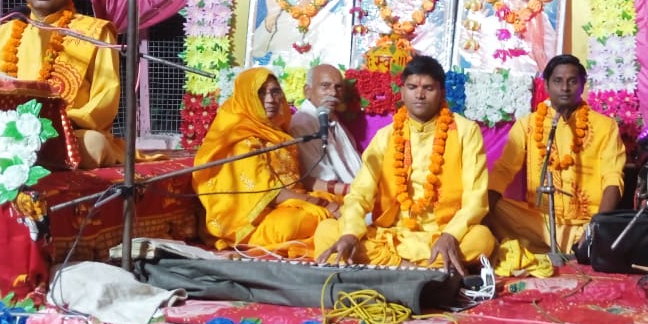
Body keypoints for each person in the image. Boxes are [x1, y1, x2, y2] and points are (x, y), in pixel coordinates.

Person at [315, 55, 495, 273]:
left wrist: (450, 235)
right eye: (412, 87)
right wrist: (351, 233)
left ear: (441, 93)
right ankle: (418, 268)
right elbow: (360, 193)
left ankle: (389, 266)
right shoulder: (386, 135)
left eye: (428, 88)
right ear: (402, 92)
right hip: (392, 234)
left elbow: (476, 198)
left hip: (441, 232)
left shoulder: (466, 131)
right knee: (326, 230)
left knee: (481, 239)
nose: (419, 95)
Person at [0, 0, 123, 168]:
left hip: (69, 133)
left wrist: (57, 124)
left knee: (94, 144)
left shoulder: (94, 32)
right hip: (10, 133)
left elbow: (106, 94)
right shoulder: (1, 35)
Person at [486, 54, 626, 253]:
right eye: (558, 81)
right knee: (494, 206)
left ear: (583, 85)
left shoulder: (605, 126)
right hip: (538, 222)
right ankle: (568, 246)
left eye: (572, 81)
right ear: (546, 85)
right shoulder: (528, 125)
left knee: (608, 230)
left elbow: (613, 177)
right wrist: (484, 211)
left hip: (586, 224)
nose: (565, 88)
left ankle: (570, 243)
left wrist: (597, 226)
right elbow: (504, 170)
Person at [192, 68, 333, 256]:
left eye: (275, 92)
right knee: (301, 220)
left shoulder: (277, 133)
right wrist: (320, 204)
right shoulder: (240, 139)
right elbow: (269, 193)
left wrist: (339, 191)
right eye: (261, 93)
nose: (270, 99)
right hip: (252, 223)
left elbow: (299, 179)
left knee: (344, 204)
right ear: (246, 97)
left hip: (290, 204)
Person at [290, 64, 362, 202]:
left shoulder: (333, 119)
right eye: (325, 86)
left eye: (338, 87)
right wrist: (356, 190)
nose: (333, 93)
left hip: (354, 192)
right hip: (329, 198)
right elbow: (318, 177)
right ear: (307, 91)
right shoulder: (301, 124)